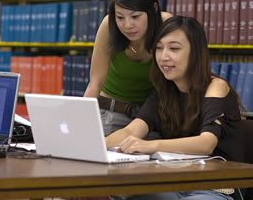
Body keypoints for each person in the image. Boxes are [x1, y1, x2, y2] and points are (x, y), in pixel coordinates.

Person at [106, 16, 248, 200]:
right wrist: (94, 146)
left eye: (174, 48)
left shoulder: (216, 87)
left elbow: (206, 143)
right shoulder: (163, 92)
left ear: (195, 53)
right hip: (176, 183)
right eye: (158, 48)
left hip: (216, 187)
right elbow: (130, 131)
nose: (163, 56)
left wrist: (150, 146)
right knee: (125, 195)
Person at [84, 0, 172, 136]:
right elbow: (95, 83)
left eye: (135, 16)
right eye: (120, 17)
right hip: (109, 114)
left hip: (151, 118)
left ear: (154, 9)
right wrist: (81, 124)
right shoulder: (108, 26)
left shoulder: (167, 26)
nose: (127, 25)